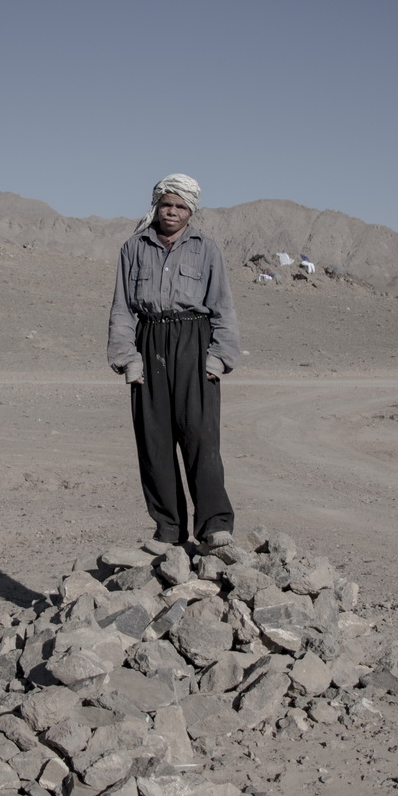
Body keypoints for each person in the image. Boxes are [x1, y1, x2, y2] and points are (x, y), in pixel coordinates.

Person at [107, 174, 239, 546]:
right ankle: (168, 529)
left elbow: (223, 308)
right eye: (167, 204)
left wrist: (219, 359)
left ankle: (214, 525)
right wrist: (127, 358)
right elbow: (121, 309)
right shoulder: (133, 248)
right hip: (149, 342)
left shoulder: (206, 249)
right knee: (154, 442)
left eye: (181, 206)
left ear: (191, 211)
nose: (173, 212)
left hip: (194, 343)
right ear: (157, 205)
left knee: (200, 437)